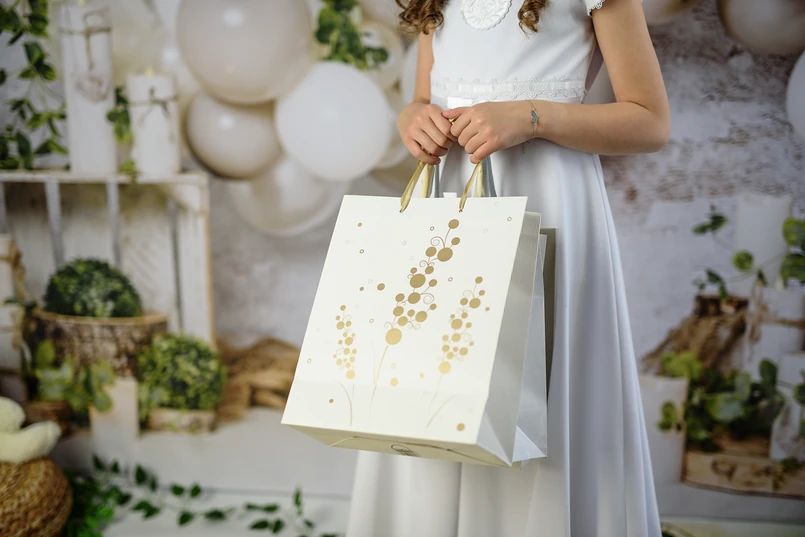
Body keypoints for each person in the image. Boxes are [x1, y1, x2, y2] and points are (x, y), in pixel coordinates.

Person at [346, 0, 670, 536]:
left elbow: (650, 121)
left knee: (533, 384)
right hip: (450, 200)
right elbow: (425, 96)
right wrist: (412, 118)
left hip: (547, 204)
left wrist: (532, 116)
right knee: (433, 379)